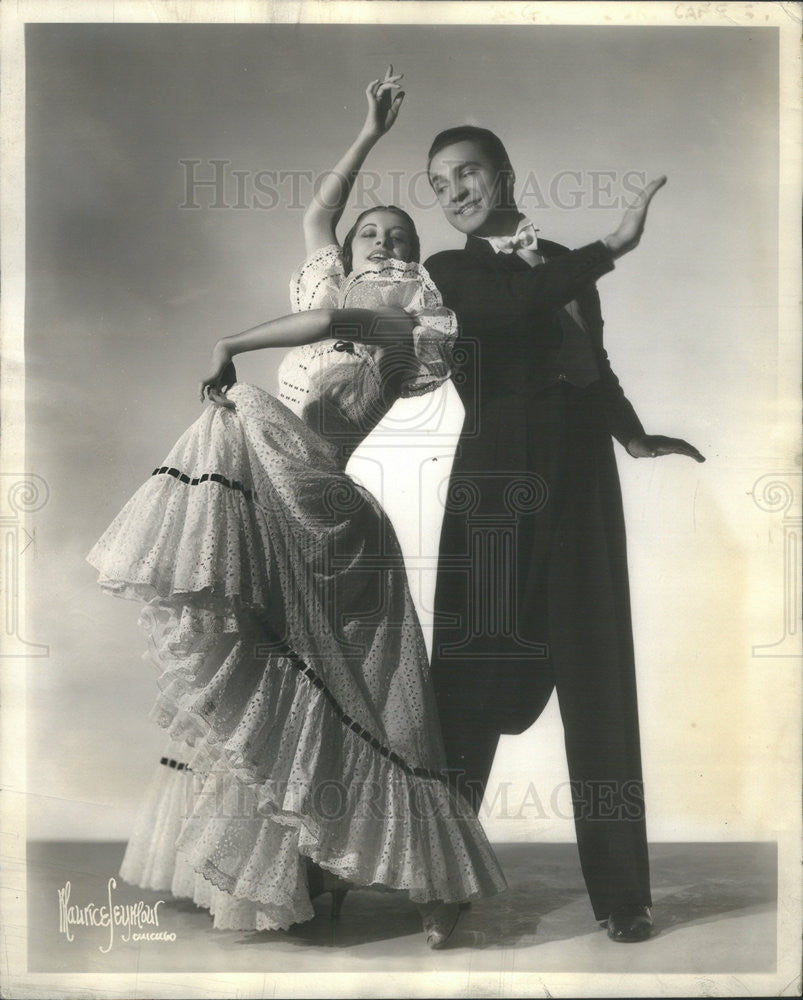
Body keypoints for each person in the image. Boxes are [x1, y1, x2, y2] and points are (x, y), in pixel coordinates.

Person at [86, 73, 506, 948]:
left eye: (401, 237)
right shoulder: (330, 278)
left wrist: (233, 340)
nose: (385, 242)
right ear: (351, 250)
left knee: (370, 702)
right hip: (273, 506)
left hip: (334, 518)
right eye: (371, 234)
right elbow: (322, 216)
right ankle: (306, 870)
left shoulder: (415, 319)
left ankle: (435, 886)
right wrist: (366, 132)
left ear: (414, 261)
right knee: (278, 686)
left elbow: (325, 323)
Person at [424, 126, 705, 943]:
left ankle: (623, 896)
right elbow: (512, 306)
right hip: (495, 478)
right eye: (439, 184)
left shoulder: (556, 260)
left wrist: (632, 433)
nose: (453, 191)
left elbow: (593, 360)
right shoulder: (450, 271)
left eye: (466, 172)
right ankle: (439, 886)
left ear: (501, 173)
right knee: (470, 684)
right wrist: (612, 244)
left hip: (582, 474)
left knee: (598, 676)